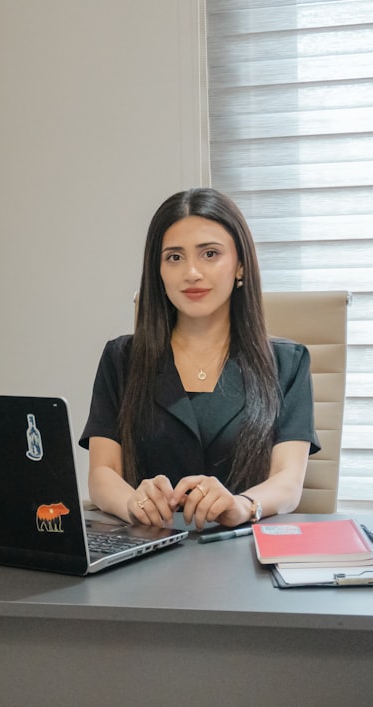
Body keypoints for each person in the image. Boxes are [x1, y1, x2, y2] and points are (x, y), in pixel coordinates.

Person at [79, 188, 320, 531]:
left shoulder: (287, 363)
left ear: (240, 266)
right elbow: (103, 474)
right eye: (174, 257)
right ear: (158, 272)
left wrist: (242, 505)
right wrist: (132, 502)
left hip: (243, 552)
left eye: (210, 254)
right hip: (146, 551)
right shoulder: (122, 359)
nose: (191, 272)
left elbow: (288, 481)